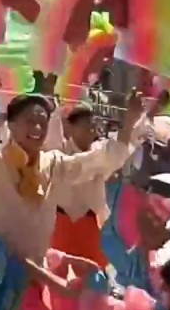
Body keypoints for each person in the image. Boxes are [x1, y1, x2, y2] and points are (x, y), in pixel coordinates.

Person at [0, 74, 146, 266]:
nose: (37, 128)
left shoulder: (51, 163)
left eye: (42, 123)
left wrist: (128, 122)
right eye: (30, 121)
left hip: (35, 272)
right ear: (11, 124)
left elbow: (95, 162)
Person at [45, 103, 145, 267]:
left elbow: (118, 151)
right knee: (56, 271)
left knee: (94, 275)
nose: (91, 131)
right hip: (60, 221)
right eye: (85, 126)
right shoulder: (59, 152)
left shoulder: (99, 151)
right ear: (69, 127)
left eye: (93, 127)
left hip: (91, 223)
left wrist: (130, 120)